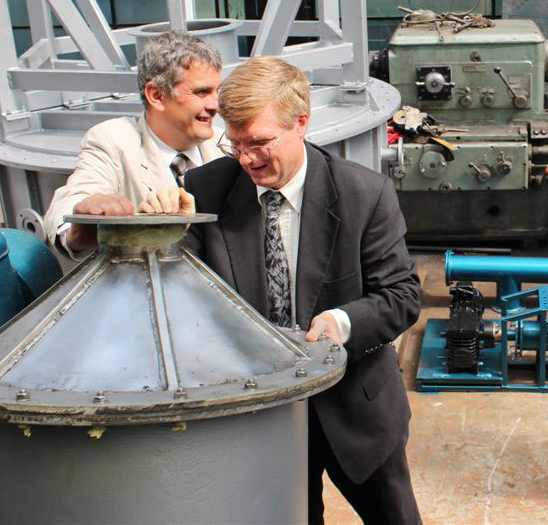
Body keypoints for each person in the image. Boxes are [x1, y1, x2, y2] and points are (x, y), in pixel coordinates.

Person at [177, 56, 422, 525]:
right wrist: (164, 227)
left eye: (261, 143)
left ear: (302, 123)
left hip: (354, 407)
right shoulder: (204, 189)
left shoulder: (362, 194)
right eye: (236, 144)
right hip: (258, 411)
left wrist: (341, 322)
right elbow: (183, 294)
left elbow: (401, 295)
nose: (247, 159)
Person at [42, 31, 224, 259]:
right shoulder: (112, 140)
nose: (216, 105)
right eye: (202, 92)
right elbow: (69, 205)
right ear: (156, 95)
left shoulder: (227, 144)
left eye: (217, 91)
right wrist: (84, 223)